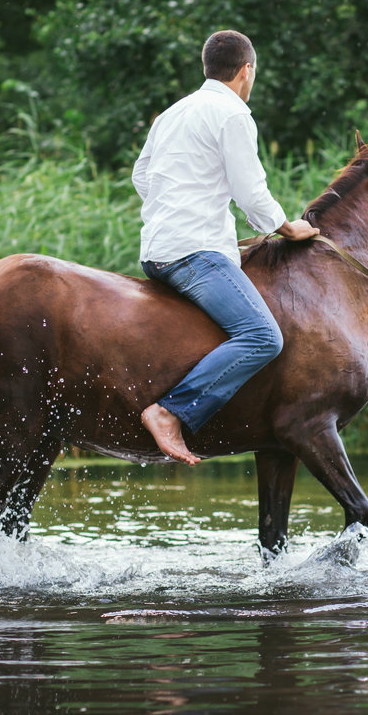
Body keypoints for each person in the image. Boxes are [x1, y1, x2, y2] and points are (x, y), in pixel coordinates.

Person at [132, 30, 319, 465]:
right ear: (246, 70)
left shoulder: (173, 113)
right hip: (195, 254)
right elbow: (251, 193)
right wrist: (287, 228)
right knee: (263, 336)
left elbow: (142, 176)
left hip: (155, 252)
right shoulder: (233, 114)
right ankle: (169, 411)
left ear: (207, 68)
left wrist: (176, 208)